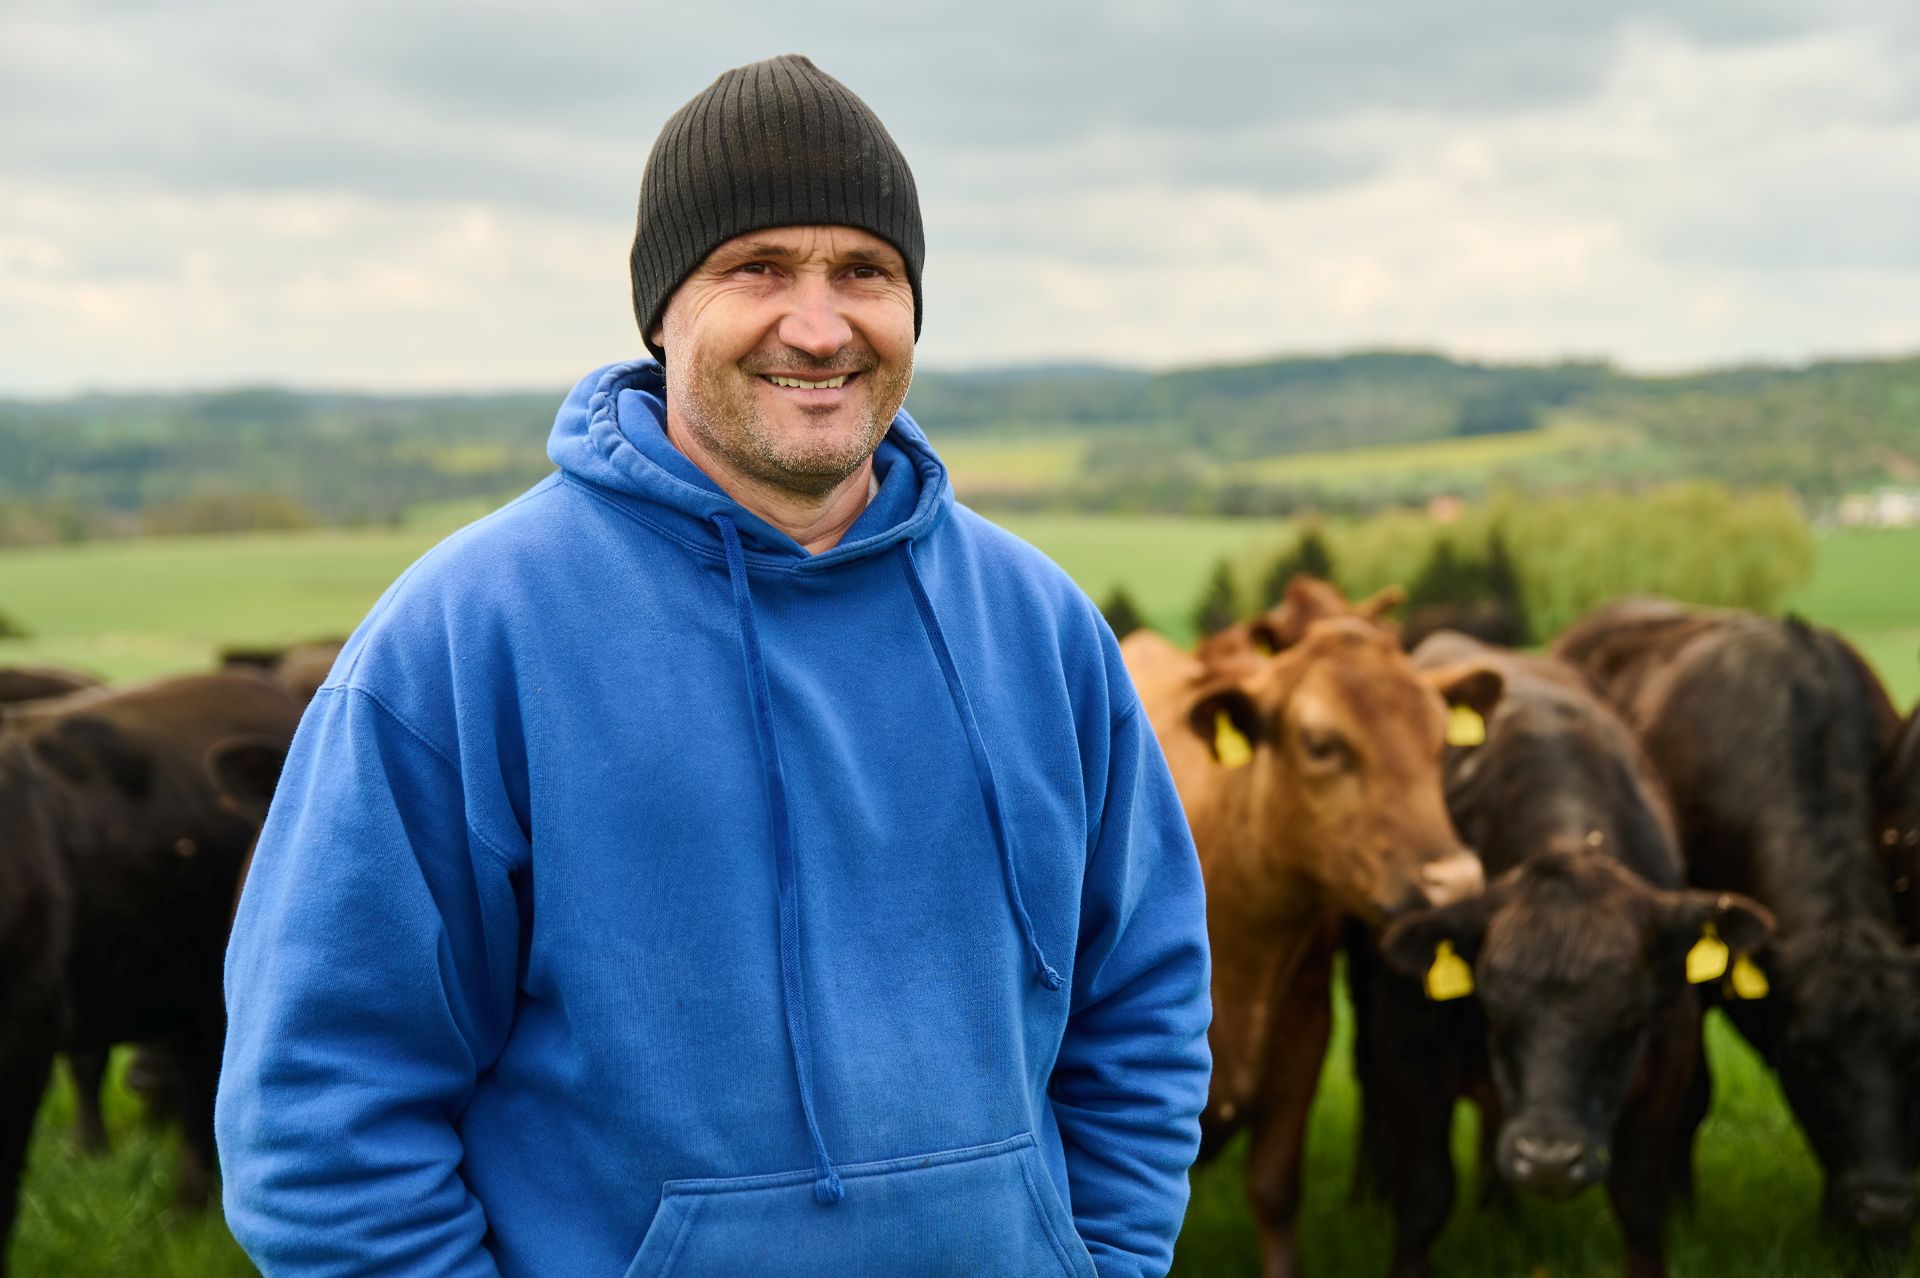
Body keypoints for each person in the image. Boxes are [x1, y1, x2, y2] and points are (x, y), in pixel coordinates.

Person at [216, 53, 1211, 1278]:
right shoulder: (465, 639)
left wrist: (1103, 1260)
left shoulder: (1043, 631)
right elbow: (320, 1113)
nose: (819, 325)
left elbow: (1145, 1009)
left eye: (866, 271)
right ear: (662, 310)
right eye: (758, 269)